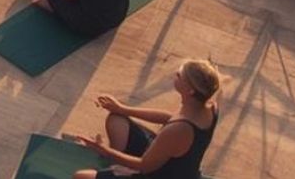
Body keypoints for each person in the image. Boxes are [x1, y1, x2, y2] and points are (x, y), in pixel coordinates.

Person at [71, 59, 221, 179]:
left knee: (80, 177)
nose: (175, 73)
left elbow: (144, 166)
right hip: (163, 158)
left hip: (156, 173)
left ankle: (119, 167)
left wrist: (104, 150)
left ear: (190, 90)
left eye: (179, 75)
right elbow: (170, 118)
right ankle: (116, 167)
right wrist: (122, 109)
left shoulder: (178, 130)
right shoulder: (209, 107)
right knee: (117, 119)